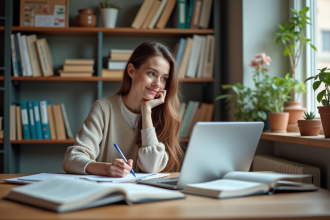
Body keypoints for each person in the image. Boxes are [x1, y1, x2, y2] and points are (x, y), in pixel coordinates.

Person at [63, 42, 183, 177]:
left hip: (142, 195)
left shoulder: (164, 116)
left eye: (163, 78)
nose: (157, 84)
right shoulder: (104, 108)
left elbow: (151, 167)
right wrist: (106, 169)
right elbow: (71, 159)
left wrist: (146, 111)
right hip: (104, 193)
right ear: (131, 71)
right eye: (151, 73)